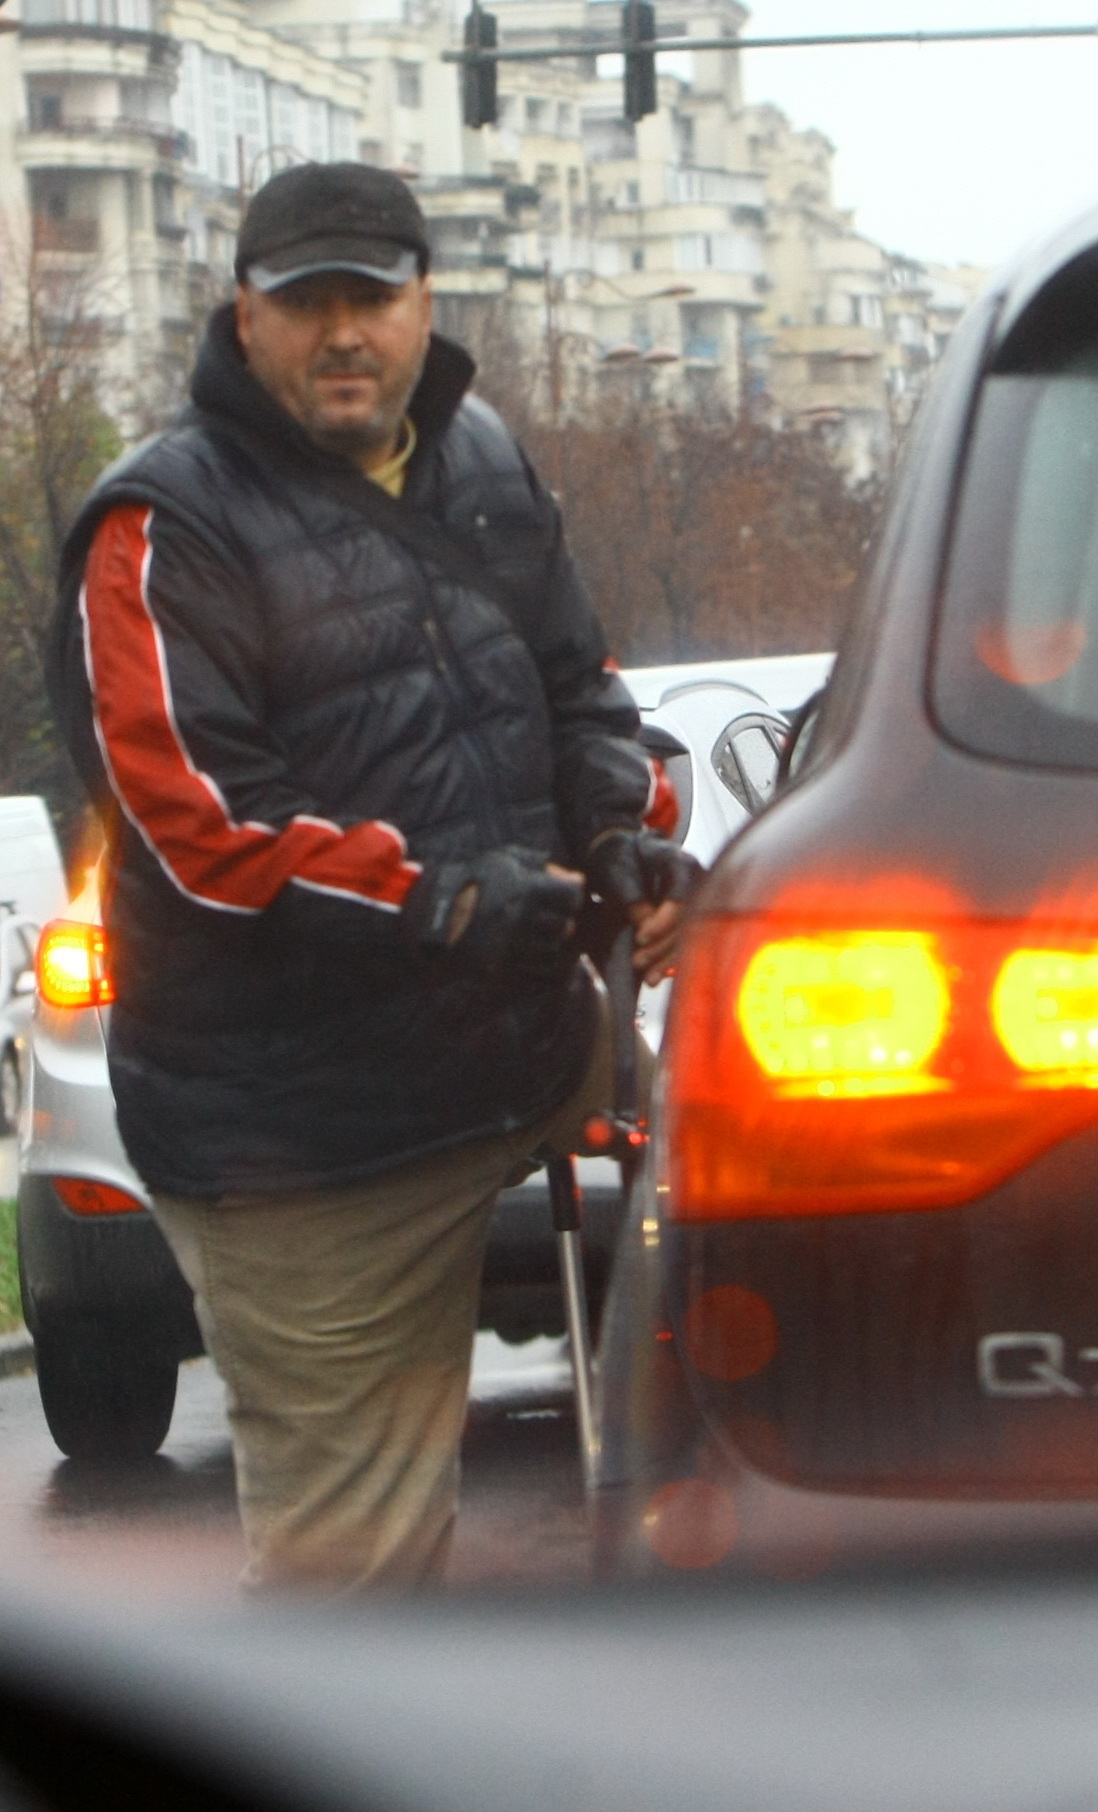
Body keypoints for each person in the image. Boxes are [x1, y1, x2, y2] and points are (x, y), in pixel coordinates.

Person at [42, 163, 700, 1594]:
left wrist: (619, 837)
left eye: (373, 298)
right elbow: (205, 832)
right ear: (245, 316)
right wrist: (443, 897)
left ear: (424, 304)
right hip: (308, 1139)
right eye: (307, 302)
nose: (345, 333)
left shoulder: (483, 460)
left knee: (807, 1262)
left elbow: (578, 692)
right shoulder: (165, 526)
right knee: (357, 1589)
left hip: (522, 1046)